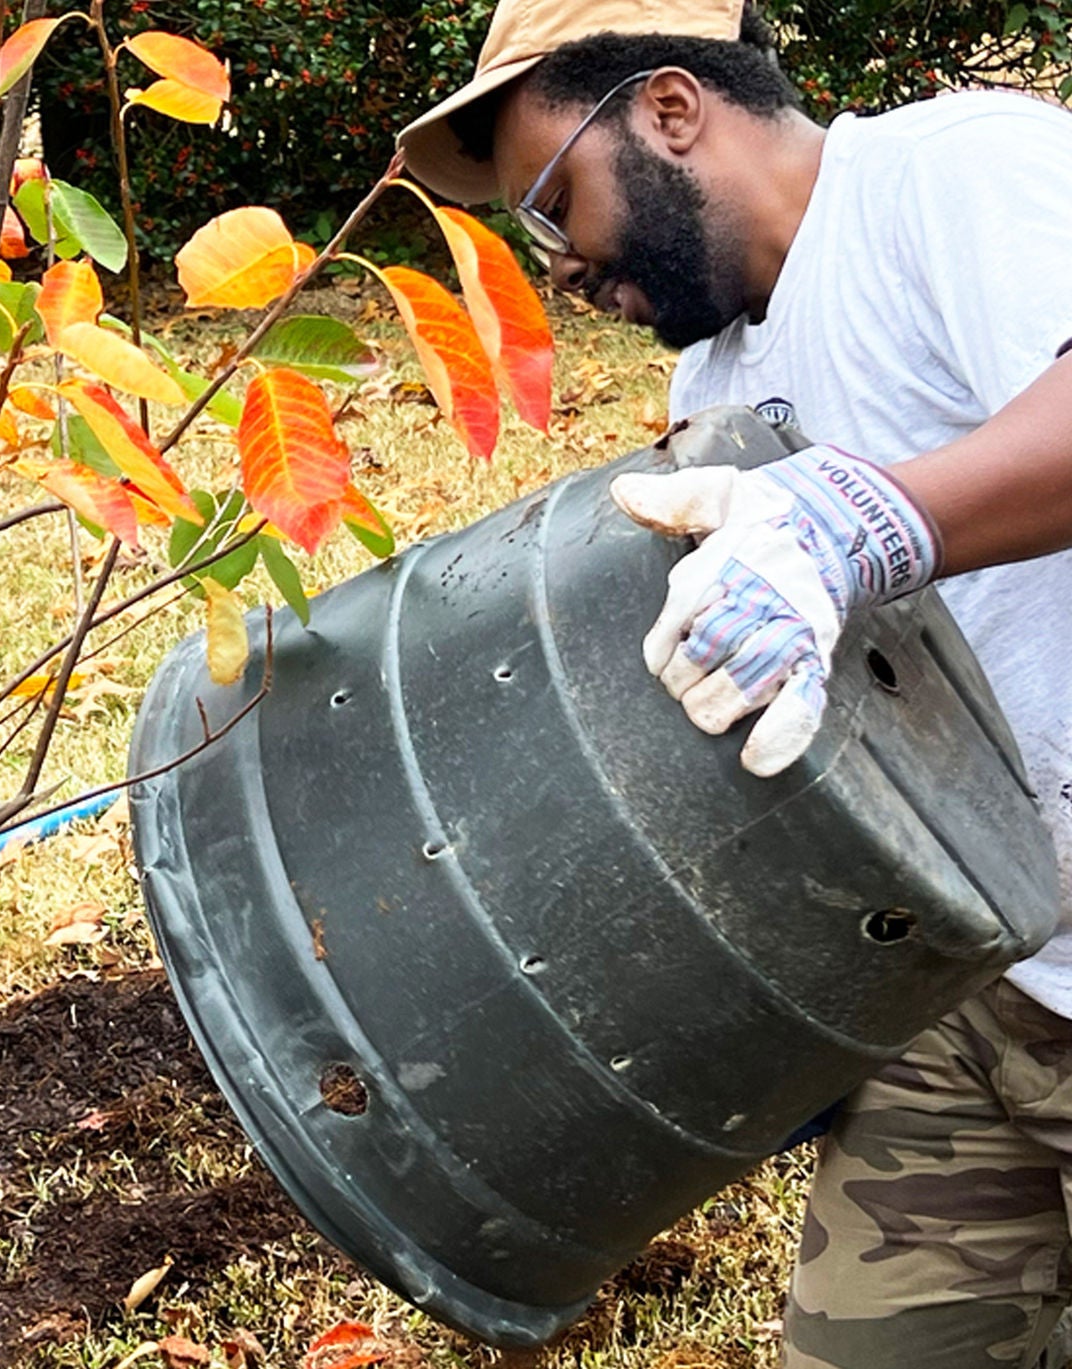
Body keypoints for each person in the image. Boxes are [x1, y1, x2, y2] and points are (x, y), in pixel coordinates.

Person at [397, 2, 1072, 1365]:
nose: (564, 269)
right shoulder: (716, 383)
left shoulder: (953, 175)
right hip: (962, 981)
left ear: (668, 111)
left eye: (553, 204)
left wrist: (863, 521)